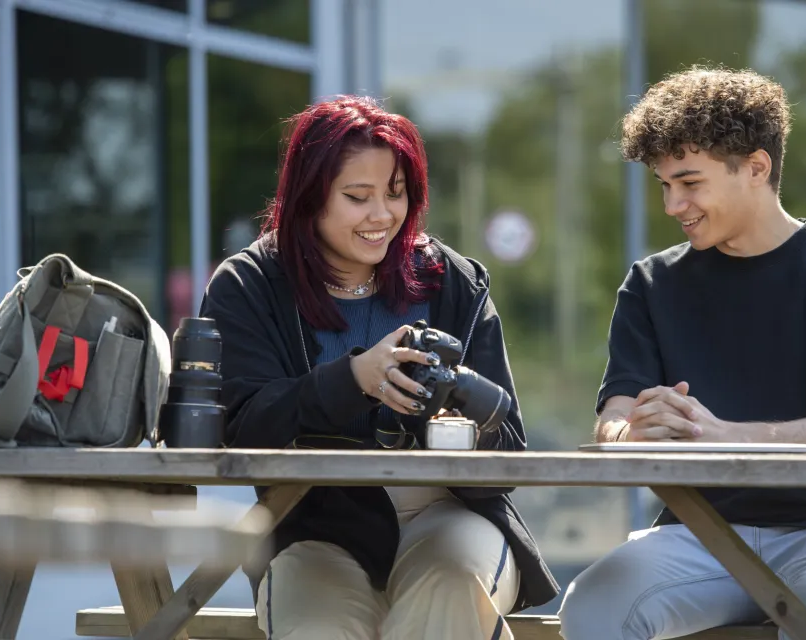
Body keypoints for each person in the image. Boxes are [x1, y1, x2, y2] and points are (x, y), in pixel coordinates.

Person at [558, 66, 806, 639]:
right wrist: (633, 432)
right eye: (664, 185)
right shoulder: (650, 283)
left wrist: (714, 432)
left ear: (757, 167)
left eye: (689, 182)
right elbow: (612, 420)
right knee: (591, 606)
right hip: (690, 534)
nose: (673, 204)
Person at [199, 95, 558, 640]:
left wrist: (442, 413)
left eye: (396, 194)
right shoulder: (249, 285)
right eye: (356, 197)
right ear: (308, 198)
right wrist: (355, 379)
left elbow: (508, 446)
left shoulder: (453, 280)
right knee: (317, 628)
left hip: (449, 514)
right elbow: (239, 427)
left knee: (452, 588)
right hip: (313, 525)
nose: (382, 216)